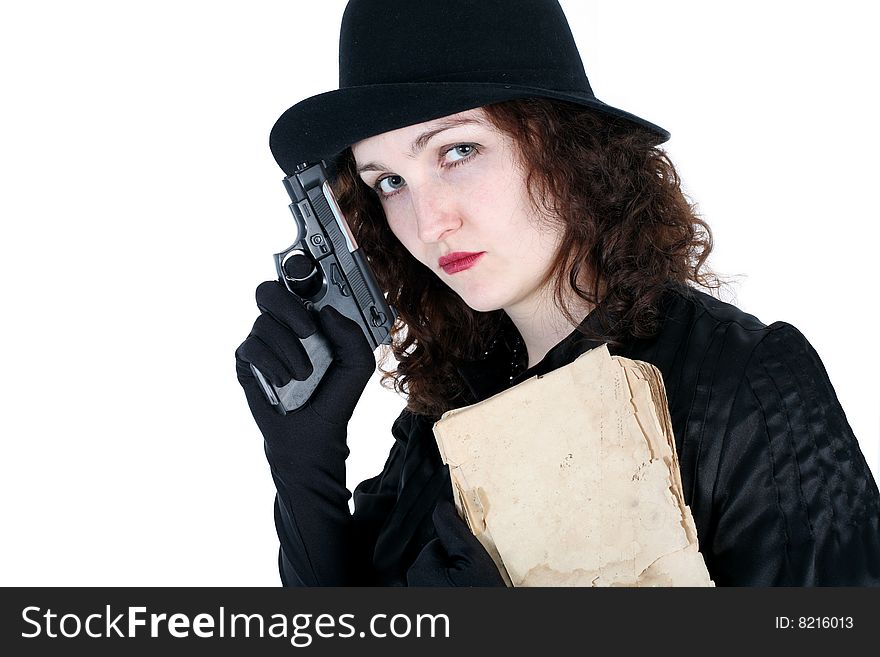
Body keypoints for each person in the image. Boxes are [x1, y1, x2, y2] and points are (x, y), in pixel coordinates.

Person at [235, 0, 880, 586]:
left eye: (459, 151)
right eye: (389, 182)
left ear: (566, 146)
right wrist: (305, 471)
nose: (429, 222)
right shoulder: (444, 414)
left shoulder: (746, 383)